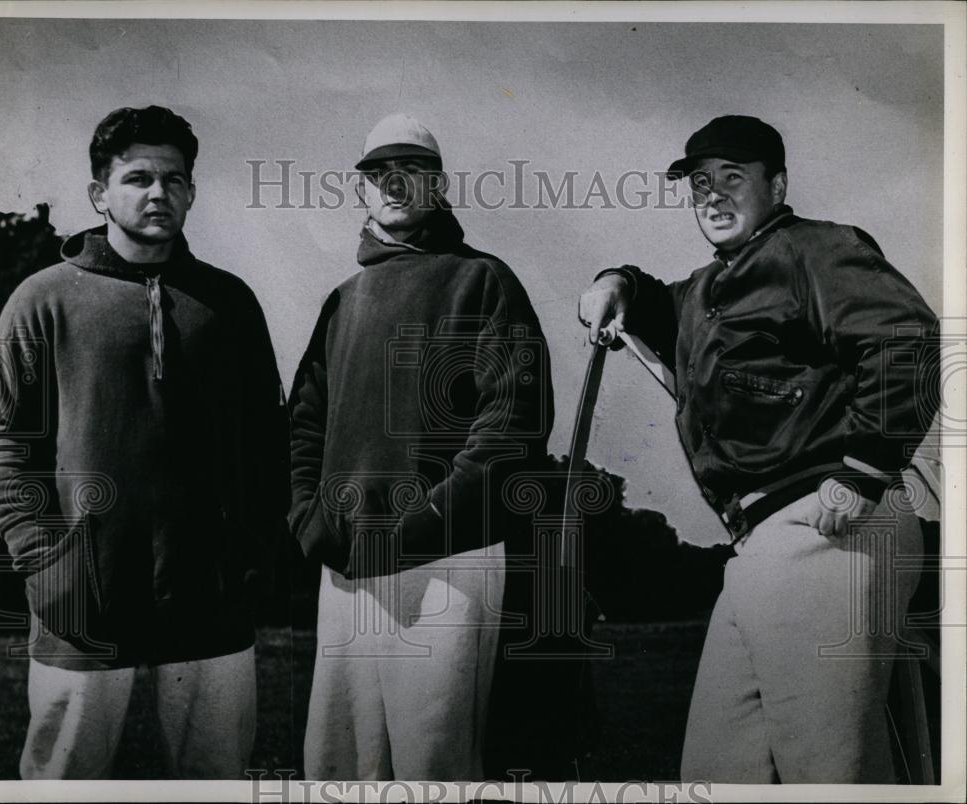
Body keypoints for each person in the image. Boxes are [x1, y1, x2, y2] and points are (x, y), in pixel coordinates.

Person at [578, 115, 939, 783]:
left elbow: (907, 338)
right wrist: (614, 281)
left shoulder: (814, 250)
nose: (712, 197)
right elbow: (656, 301)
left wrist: (861, 471)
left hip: (827, 525)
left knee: (830, 774)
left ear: (776, 186)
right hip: (759, 546)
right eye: (699, 185)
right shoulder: (706, 290)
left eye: (732, 179)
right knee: (720, 772)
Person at [0, 105, 288, 779]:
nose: (159, 192)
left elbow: (269, 449)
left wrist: (252, 560)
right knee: (61, 783)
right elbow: (5, 447)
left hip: (210, 604)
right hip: (81, 603)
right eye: (138, 178)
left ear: (192, 191)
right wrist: (46, 566)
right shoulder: (42, 300)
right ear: (100, 194)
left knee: (214, 781)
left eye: (175, 179)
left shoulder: (230, 304)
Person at [289, 113, 553, 780]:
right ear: (362, 189)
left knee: (431, 771)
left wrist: (426, 520)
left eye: (412, 169)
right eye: (378, 172)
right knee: (339, 767)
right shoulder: (341, 301)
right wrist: (309, 520)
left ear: (438, 186)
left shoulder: (483, 280)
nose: (394, 182)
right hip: (346, 565)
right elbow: (303, 426)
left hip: (448, 562)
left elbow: (511, 424)